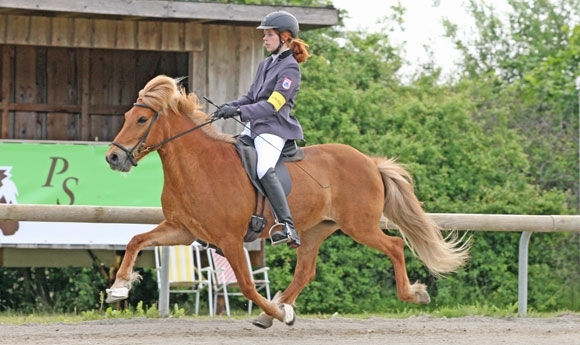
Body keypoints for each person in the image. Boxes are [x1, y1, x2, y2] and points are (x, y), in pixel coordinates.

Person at [215, 10, 311, 249]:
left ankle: (287, 226)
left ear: (285, 37)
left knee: (263, 168)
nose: (264, 39)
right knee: (231, 161)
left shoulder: (290, 69)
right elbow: (250, 96)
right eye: (265, 35)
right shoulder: (266, 63)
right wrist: (231, 106)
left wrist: (239, 113)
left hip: (274, 129)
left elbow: (273, 105)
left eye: (269, 35)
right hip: (253, 127)